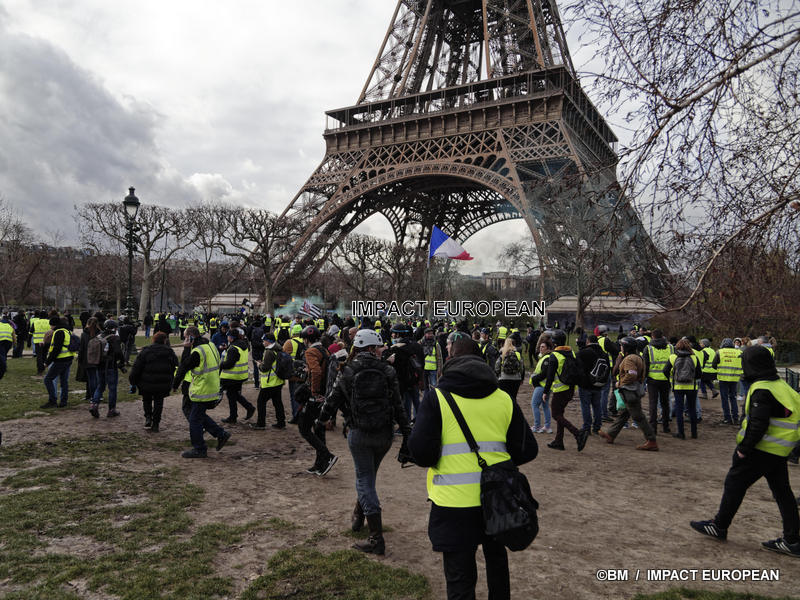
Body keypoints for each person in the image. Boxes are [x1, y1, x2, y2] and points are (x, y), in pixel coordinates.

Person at [408, 335, 538, 600]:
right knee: (498, 564)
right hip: (498, 498)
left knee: (459, 576)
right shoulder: (503, 398)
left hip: (453, 503)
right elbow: (527, 449)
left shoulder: (437, 399)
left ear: (452, 358)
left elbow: (421, 454)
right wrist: (498, 465)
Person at [690, 345, 800, 557]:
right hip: (779, 450)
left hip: (761, 449)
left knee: (735, 483)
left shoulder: (762, 389)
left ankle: (720, 525)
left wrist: (743, 449)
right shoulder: (783, 387)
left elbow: (758, 424)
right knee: (783, 493)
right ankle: (792, 538)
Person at [315, 329, 411, 555]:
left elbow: (332, 400)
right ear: (372, 348)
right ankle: (359, 516)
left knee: (364, 479)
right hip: (384, 434)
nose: (381, 350)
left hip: (359, 432)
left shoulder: (347, 370)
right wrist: (407, 433)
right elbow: (398, 405)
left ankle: (376, 538)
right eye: (378, 347)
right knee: (368, 477)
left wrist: (320, 420)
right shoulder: (387, 370)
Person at [172, 325, 231, 458]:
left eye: (186, 337)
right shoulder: (209, 345)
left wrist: (186, 348)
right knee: (197, 415)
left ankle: (200, 448)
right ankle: (220, 434)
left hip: (202, 389)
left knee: (194, 420)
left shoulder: (197, 351)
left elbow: (184, 366)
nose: (184, 339)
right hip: (212, 385)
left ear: (191, 337)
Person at [599, 337, 659, 450]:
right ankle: (611, 434)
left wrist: (620, 383)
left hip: (629, 391)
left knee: (638, 416)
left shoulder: (630, 359)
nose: (620, 347)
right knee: (624, 414)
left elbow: (631, 374)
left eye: (622, 345)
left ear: (626, 347)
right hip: (633, 390)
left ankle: (651, 440)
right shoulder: (636, 356)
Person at [542, 330, 588, 451]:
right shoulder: (571, 352)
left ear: (554, 342)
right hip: (571, 388)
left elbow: (550, 376)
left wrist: (545, 392)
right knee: (560, 414)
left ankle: (577, 433)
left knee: (555, 414)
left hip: (560, 390)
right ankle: (558, 441)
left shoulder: (554, 355)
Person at [129, 331, 178, 432]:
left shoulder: (146, 351)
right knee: (158, 402)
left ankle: (148, 417)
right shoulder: (169, 352)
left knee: (146, 400)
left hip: (146, 381)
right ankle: (156, 423)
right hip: (162, 382)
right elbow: (175, 365)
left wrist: (133, 380)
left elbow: (137, 367)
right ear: (165, 340)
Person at [662, 337, 703, 439]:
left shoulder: (673, 357)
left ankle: (681, 433)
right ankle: (694, 433)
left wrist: (671, 378)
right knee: (692, 409)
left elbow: (665, 371)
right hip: (692, 387)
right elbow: (699, 374)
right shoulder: (694, 358)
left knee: (679, 410)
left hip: (678, 386)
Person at [383, 323, 424, 423]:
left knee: (405, 403)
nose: (392, 335)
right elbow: (421, 361)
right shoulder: (416, 345)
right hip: (415, 378)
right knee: (416, 401)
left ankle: (406, 423)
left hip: (402, 380)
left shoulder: (396, 348)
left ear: (397, 334)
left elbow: (391, 366)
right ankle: (420, 422)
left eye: (393, 333)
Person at [91, 319, 126, 418]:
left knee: (100, 386)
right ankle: (111, 409)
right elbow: (119, 352)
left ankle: (94, 405)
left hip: (99, 365)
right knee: (112, 388)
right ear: (114, 328)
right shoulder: (114, 338)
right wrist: (122, 362)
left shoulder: (99, 336)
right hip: (110, 365)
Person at [220, 328, 255, 424]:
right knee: (235, 395)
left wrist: (220, 364)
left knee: (232, 396)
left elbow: (229, 364)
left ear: (231, 337)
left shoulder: (233, 348)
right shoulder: (242, 345)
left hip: (232, 377)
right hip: (240, 375)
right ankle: (246, 409)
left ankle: (234, 416)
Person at [253, 333, 287, 430]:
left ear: (268, 341)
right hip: (278, 381)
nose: (263, 342)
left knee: (261, 402)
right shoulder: (278, 348)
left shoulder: (269, 351)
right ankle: (281, 422)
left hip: (270, 382)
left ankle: (261, 423)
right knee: (277, 402)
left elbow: (264, 368)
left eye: (264, 340)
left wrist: (259, 364)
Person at [40, 317, 76, 409]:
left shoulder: (58, 332)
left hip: (60, 360)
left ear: (54, 324)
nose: (50, 327)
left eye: (51, 325)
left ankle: (52, 401)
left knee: (47, 379)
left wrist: (47, 363)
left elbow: (56, 349)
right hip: (68, 359)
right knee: (64, 381)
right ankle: (63, 401)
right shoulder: (67, 331)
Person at [576, 334, 608, 435]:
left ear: (587, 341)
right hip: (598, 384)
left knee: (585, 406)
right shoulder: (603, 354)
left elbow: (577, 366)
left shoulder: (583, 352)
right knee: (597, 406)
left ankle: (587, 427)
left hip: (585, 384)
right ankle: (597, 427)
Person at [643, 329, 673, 434]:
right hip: (666, 379)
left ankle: (653, 428)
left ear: (652, 337)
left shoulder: (648, 348)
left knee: (653, 404)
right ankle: (666, 427)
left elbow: (645, 366)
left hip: (652, 380)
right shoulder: (670, 347)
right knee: (665, 404)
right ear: (662, 336)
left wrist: (643, 379)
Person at [713, 338, 743, 425]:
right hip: (734, 378)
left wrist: (721, 368)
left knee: (724, 398)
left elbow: (714, 365)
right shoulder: (739, 352)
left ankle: (727, 418)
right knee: (733, 397)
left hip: (723, 378)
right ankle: (736, 418)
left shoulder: (719, 352)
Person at [529, 335, 553, 433]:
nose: (540, 348)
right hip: (544, 386)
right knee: (545, 406)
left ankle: (537, 426)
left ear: (547, 348)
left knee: (534, 404)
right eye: (540, 347)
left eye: (543, 347)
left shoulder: (547, 358)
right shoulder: (545, 357)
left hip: (541, 386)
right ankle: (547, 427)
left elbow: (544, 374)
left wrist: (534, 379)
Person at [494, 334, 525, 401]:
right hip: (516, 379)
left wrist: (498, 374)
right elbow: (522, 367)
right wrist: (521, 378)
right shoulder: (518, 354)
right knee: (513, 398)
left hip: (503, 378)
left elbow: (497, 366)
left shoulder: (503, 353)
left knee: (504, 398)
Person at [0, 314, 16, 380]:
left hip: (0, 341)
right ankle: (3, 366)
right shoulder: (10, 326)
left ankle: (3, 367)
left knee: (2, 354)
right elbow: (14, 336)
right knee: (4, 354)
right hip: (8, 342)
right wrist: (15, 344)